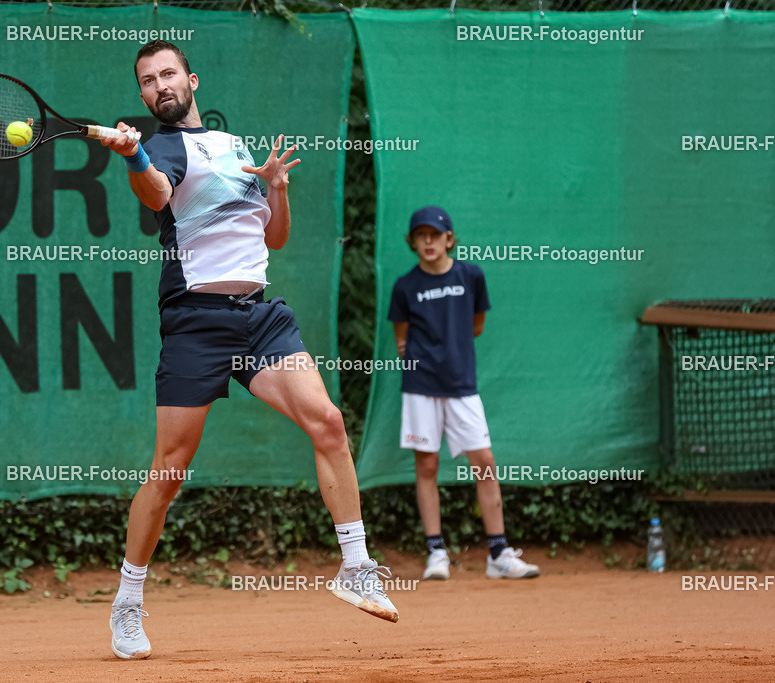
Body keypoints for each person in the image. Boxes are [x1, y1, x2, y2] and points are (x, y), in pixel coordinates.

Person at [98, 40, 398, 661]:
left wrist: (278, 189)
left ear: (192, 79)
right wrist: (131, 157)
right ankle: (128, 601)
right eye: (148, 81)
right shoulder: (159, 148)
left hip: (259, 318)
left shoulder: (234, 148)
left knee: (330, 422)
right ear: (144, 96)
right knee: (169, 470)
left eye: (169, 74)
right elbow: (156, 195)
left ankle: (356, 567)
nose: (160, 86)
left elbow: (274, 238)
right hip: (195, 323)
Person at [388, 206, 540, 582]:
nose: (428, 241)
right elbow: (401, 340)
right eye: (421, 235)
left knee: (485, 461)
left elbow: (477, 325)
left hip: (461, 386)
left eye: (435, 234)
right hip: (420, 386)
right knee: (427, 465)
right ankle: (436, 552)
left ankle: (498, 553)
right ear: (412, 241)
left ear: (449, 239)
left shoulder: (471, 275)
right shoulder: (405, 286)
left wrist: (450, 352)